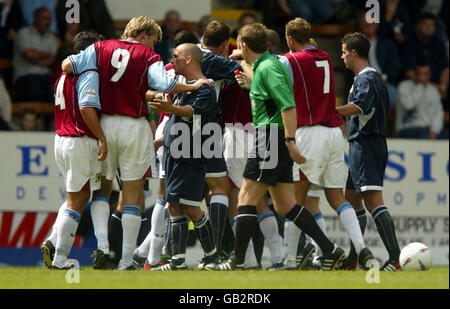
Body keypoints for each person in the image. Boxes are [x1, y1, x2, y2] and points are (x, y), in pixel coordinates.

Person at [61, 16, 212, 270]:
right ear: (144, 34)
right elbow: (166, 84)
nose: (154, 46)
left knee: (103, 190)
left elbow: (67, 66)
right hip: (135, 125)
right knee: (133, 194)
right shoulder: (148, 56)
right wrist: (193, 85)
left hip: (106, 124)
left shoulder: (100, 48)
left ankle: (103, 247)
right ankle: (127, 260)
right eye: (153, 40)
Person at [215, 23, 345, 271]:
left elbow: (287, 105)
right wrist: (245, 68)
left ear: (243, 46)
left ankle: (237, 260)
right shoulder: (266, 66)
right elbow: (265, 86)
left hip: (271, 138)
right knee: (285, 205)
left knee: (245, 197)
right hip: (275, 138)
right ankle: (330, 249)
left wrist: (290, 141)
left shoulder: (268, 68)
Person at [279, 18, 373, 270]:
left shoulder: (290, 60)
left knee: (294, 200)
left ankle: (289, 260)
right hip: (333, 131)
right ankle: (361, 246)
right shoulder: (327, 58)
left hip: (309, 132)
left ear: (290, 39)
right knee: (337, 197)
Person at [149, 43, 220, 271]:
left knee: (191, 209)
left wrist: (170, 108)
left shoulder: (206, 88)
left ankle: (212, 257)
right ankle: (177, 262)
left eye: (176, 56)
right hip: (174, 152)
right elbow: (179, 120)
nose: (173, 59)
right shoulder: (185, 87)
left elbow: (192, 113)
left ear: (189, 59)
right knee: (173, 205)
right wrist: (163, 139)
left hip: (191, 154)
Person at [41, 31, 106, 269]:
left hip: (61, 138)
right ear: (90, 51)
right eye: (99, 49)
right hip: (79, 140)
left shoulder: (62, 74)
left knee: (75, 195)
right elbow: (87, 108)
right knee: (77, 199)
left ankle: (52, 240)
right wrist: (101, 136)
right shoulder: (87, 72)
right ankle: (59, 259)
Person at [338, 32, 401, 271]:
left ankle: (395, 259)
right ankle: (355, 256)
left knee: (373, 200)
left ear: (354, 53)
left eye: (344, 52)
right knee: (352, 199)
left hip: (367, 145)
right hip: (359, 145)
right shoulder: (364, 78)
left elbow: (359, 106)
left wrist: (331, 112)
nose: (341, 56)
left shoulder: (367, 78)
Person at [12, 6, 57, 102]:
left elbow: (54, 59)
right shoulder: (23, 33)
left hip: (46, 76)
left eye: (49, 19)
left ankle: (50, 117)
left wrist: (37, 58)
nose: (47, 22)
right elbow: (29, 54)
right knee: (36, 90)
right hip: (25, 76)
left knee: (59, 89)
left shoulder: (51, 37)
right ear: (36, 18)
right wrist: (47, 55)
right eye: (44, 18)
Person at [359, 11, 402, 110]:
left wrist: (383, 78)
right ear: (360, 24)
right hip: (364, 85)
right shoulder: (355, 46)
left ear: (377, 25)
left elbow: (395, 67)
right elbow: (351, 72)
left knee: (395, 99)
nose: (368, 24)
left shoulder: (387, 44)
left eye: (371, 21)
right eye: (365, 21)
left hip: (384, 83)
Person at [402, 12, 449, 99]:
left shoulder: (439, 43)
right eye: (425, 23)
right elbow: (409, 72)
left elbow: (445, 68)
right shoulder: (410, 43)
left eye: (431, 25)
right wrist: (432, 87)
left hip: (438, 87)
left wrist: (442, 87)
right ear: (419, 25)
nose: (428, 27)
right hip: (416, 86)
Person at [396, 59, 445, 139]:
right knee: (424, 135)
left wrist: (435, 130)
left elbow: (439, 112)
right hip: (407, 129)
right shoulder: (404, 86)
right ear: (414, 74)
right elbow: (409, 105)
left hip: (429, 129)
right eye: (419, 74)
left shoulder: (433, 90)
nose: (422, 77)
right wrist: (420, 87)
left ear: (430, 75)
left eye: (425, 74)